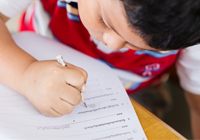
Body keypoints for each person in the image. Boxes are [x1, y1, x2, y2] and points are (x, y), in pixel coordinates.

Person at [0, 0, 200, 138]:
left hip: (134, 93)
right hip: (24, 61)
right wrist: (26, 73)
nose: (112, 44)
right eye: (105, 21)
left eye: (139, 47)